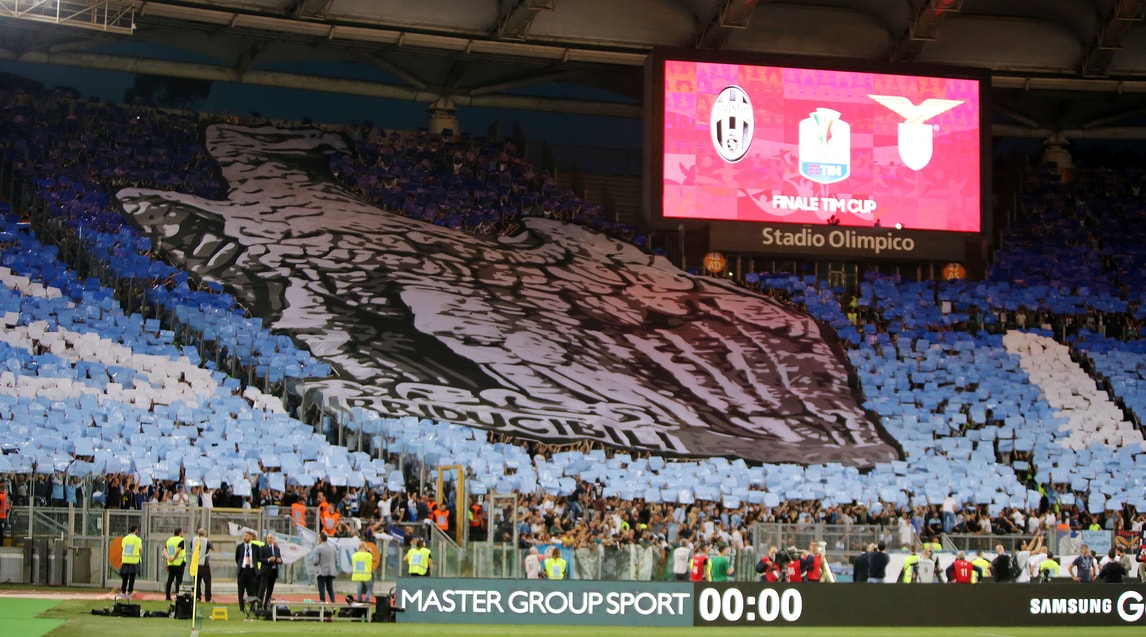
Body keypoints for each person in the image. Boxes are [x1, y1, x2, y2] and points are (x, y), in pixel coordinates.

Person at [235, 530, 260, 612]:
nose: (245, 537)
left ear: (251, 537)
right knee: (240, 591)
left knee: (251, 591)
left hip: (251, 571)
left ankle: (252, 608)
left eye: (247, 536)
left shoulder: (255, 547)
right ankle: (241, 608)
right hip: (242, 571)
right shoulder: (240, 547)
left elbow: (258, 558)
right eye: (244, 536)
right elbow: (237, 558)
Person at [258, 532, 283, 608]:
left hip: (273, 572)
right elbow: (260, 559)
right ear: (266, 539)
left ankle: (266, 606)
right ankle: (259, 606)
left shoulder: (277, 549)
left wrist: (279, 560)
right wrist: (269, 559)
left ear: (273, 539)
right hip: (265, 572)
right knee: (262, 589)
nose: (269, 539)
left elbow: (279, 559)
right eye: (268, 538)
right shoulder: (262, 548)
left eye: (271, 538)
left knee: (270, 590)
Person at [311, 533, 337, 603]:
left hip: (322, 571)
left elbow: (316, 561)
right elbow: (336, 560)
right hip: (331, 570)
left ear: (320, 539)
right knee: (330, 588)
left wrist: (314, 562)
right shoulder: (333, 547)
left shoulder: (318, 548)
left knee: (321, 588)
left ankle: (323, 604)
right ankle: (333, 604)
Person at [190, 527, 213, 603]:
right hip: (204, 563)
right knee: (207, 581)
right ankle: (208, 598)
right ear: (205, 533)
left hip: (195, 563)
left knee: (197, 581)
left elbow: (191, 547)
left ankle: (197, 597)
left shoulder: (193, 540)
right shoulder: (206, 540)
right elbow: (213, 548)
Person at [119, 524, 142, 598]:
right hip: (134, 560)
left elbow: (123, 546)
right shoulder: (137, 539)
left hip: (125, 559)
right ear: (135, 530)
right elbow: (140, 549)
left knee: (125, 576)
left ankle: (123, 591)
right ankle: (130, 591)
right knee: (132, 576)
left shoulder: (125, 538)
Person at [164, 528, 186, 601]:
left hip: (171, 563)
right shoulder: (181, 540)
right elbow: (178, 550)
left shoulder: (169, 540)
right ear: (180, 533)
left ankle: (167, 596)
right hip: (179, 563)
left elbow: (165, 550)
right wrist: (174, 558)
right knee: (178, 581)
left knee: (170, 580)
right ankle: (178, 596)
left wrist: (168, 558)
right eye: (182, 532)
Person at [0, 482, 9, 546]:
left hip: (1, 516)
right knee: (1, 531)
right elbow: (7, 507)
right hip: (3, 516)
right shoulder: (4, 496)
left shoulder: (1, 496)